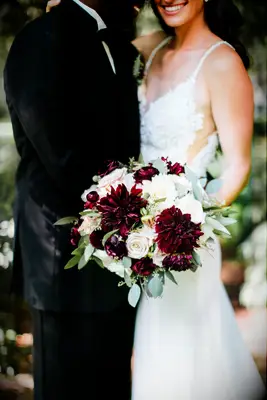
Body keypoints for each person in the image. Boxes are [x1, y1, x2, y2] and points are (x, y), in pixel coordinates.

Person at [47, 0, 267, 399]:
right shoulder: (149, 49)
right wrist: (61, 11)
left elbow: (237, 167)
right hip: (137, 239)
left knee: (186, 356)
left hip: (184, 240)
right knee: (152, 349)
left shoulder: (222, 63)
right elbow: (91, 44)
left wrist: (182, 226)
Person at [4, 1, 141, 399]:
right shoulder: (39, 39)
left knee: (111, 381)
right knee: (67, 385)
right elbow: (59, 151)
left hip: (121, 255)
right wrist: (129, 210)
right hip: (61, 257)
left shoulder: (114, 41)